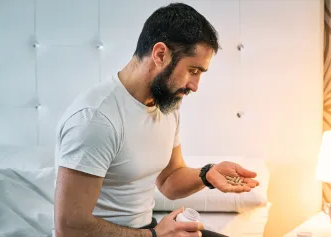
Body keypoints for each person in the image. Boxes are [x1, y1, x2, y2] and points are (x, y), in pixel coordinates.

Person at [53, 2, 259, 237]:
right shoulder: (95, 120)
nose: (195, 85)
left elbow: (170, 181)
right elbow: (69, 228)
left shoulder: (166, 104)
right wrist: (154, 235)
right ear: (160, 54)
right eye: (193, 70)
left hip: (146, 230)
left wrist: (207, 173)